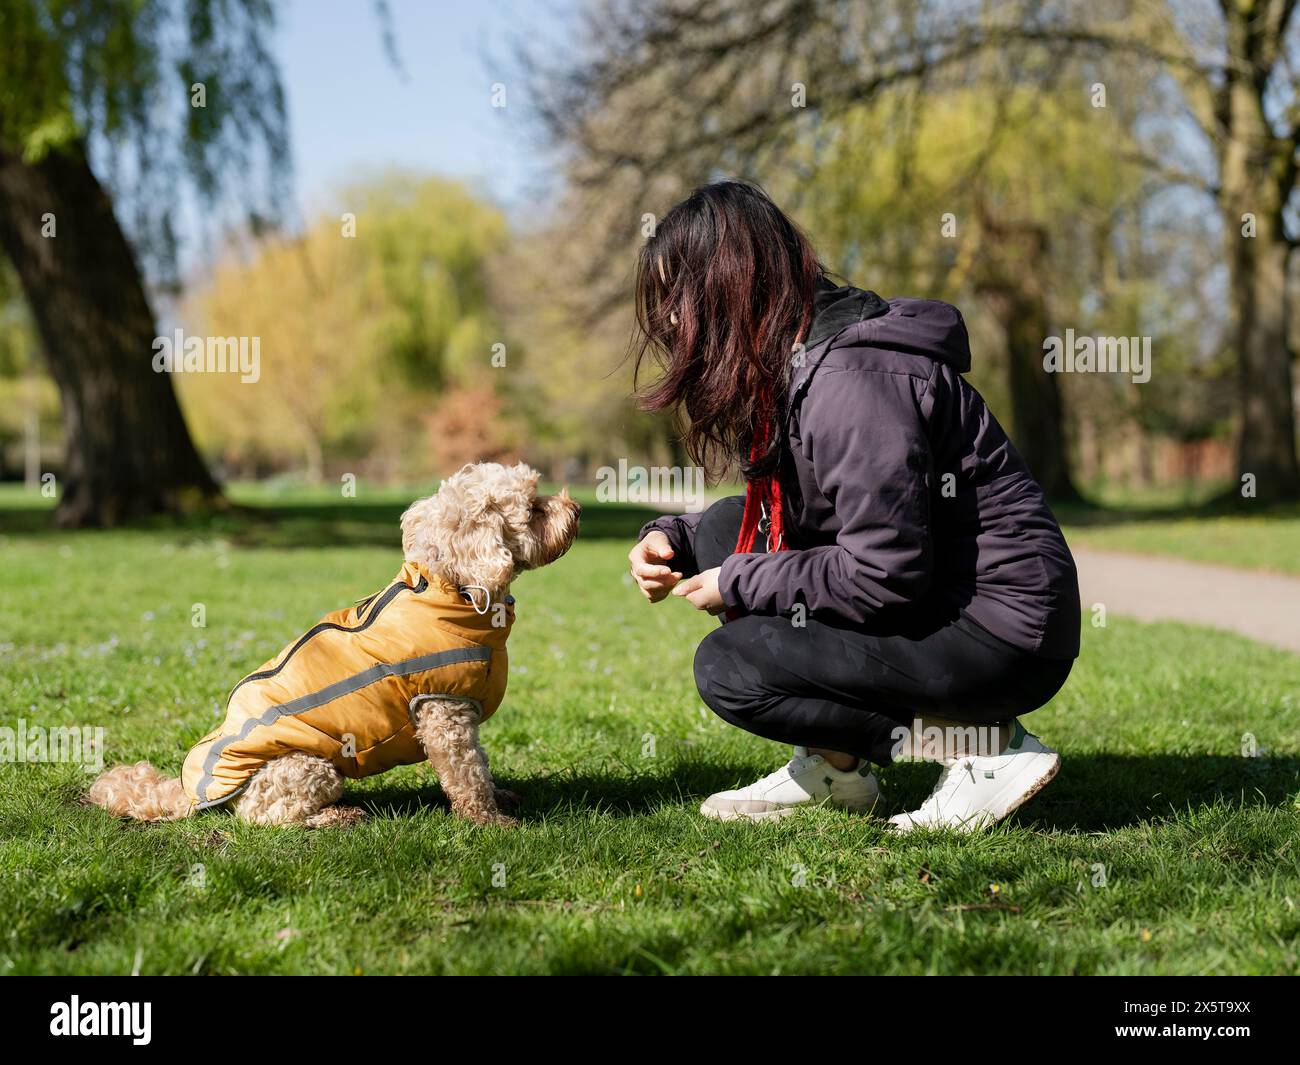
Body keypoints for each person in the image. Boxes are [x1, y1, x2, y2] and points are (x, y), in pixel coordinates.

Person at [626, 180, 1080, 831]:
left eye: (679, 295)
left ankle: (986, 751)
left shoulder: (850, 383)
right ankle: (837, 768)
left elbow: (883, 574)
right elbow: (798, 518)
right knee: (723, 531)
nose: (670, 319)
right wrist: (671, 535)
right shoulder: (806, 360)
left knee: (733, 668)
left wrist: (739, 579)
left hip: (1001, 631)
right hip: (946, 602)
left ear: (727, 285)